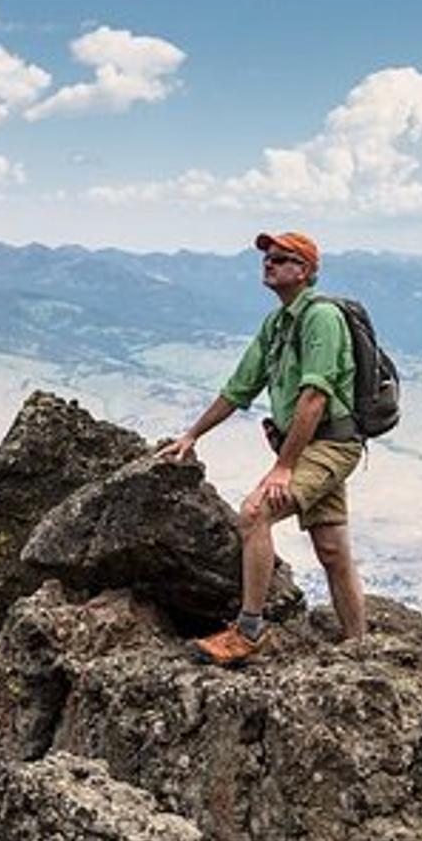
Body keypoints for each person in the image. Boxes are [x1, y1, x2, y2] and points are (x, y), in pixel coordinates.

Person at [158, 231, 367, 664]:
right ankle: (358, 645)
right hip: (310, 445)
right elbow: (239, 389)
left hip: (330, 444)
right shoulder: (276, 325)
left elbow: (315, 398)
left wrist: (285, 467)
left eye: (280, 258)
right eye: (267, 258)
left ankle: (249, 633)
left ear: (305, 271)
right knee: (330, 548)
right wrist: (192, 434)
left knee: (255, 513)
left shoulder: (321, 319)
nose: (268, 264)